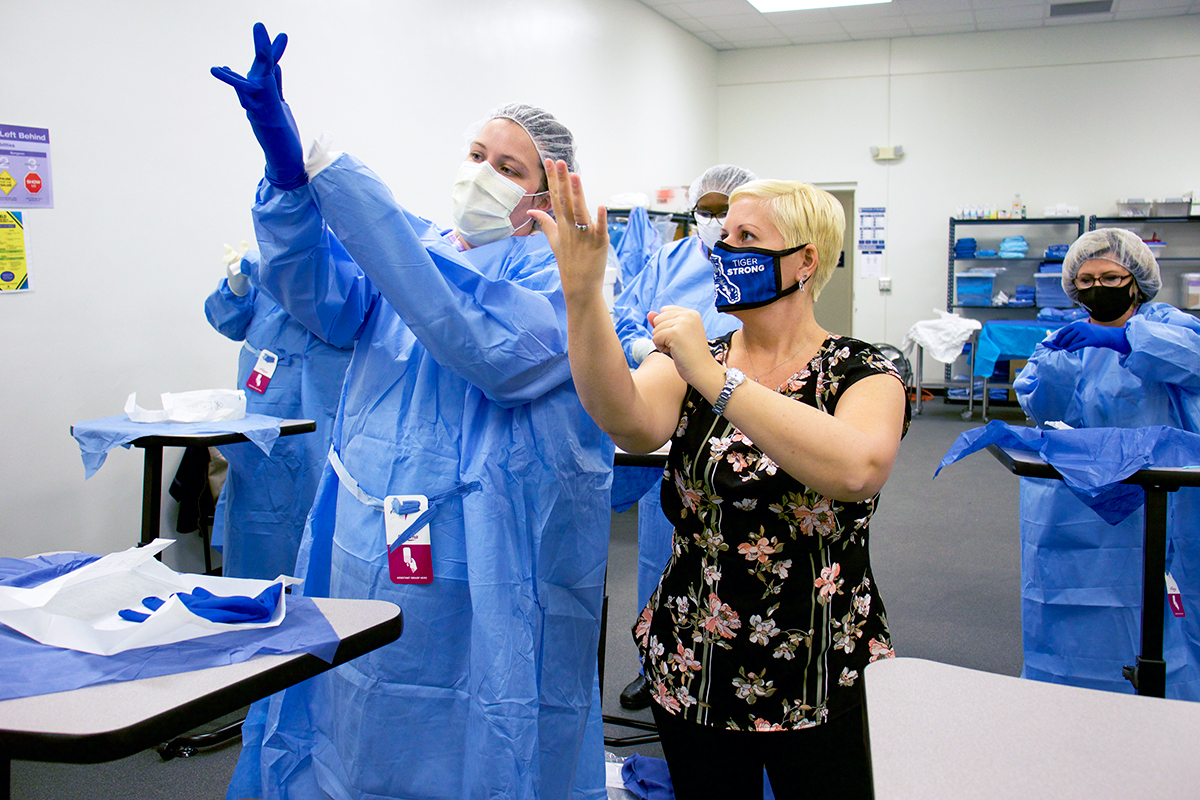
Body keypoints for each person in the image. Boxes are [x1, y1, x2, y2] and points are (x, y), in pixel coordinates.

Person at [211, 24, 612, 800]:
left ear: (545, 191)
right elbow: (313, 290)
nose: (483, 176)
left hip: (484, 545)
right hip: (368, 529)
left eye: (508, 167)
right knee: (352, 700)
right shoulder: (419, 247)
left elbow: (477, 341)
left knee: (468, 712)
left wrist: (340, 181)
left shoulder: (558, 275)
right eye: (476, 156)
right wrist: (288, 180)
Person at [532, 164, 909, 799]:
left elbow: (856, 468)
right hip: (695, 658)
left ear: (804, 261)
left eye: (746, 238)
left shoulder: (863, 368)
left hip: (818, 662)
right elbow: (629, 421)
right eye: (723, 238)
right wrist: (582, 297)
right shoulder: (692, 355)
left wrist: (713, 378)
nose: (723, 251)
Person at [1014, 227, 1200, 699]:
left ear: (1135, 281)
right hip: (1094, 496)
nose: (1098, 286)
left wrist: (1126, 341)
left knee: (1165, 606)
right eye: (1088, 278)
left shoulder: (1167, 324)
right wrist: (1056, 364)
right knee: (1086, 600)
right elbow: (1043, 407)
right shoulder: (1065, 338)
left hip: (1164, 493)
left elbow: (1192, 361)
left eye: (1111, 277)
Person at [610, 164, 755, 711]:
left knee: (731, 545)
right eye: (709, 210)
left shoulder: (755, 262)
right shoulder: (670, 260)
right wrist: (649, 355)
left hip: (739, 416)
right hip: (669, 411)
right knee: (660, 548)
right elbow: (626, 317)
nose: (716, 221)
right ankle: (659, 665)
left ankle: (730, 672)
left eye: (728, 209)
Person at [204, 246, 354, 581]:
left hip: (326, 405)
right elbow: (228, 322)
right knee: (258, 510)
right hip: (265, 409)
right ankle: (252, 604)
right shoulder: (268, 267)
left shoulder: (345, 265)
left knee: (324, 506)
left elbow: (338, 313)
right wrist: (237, 285)